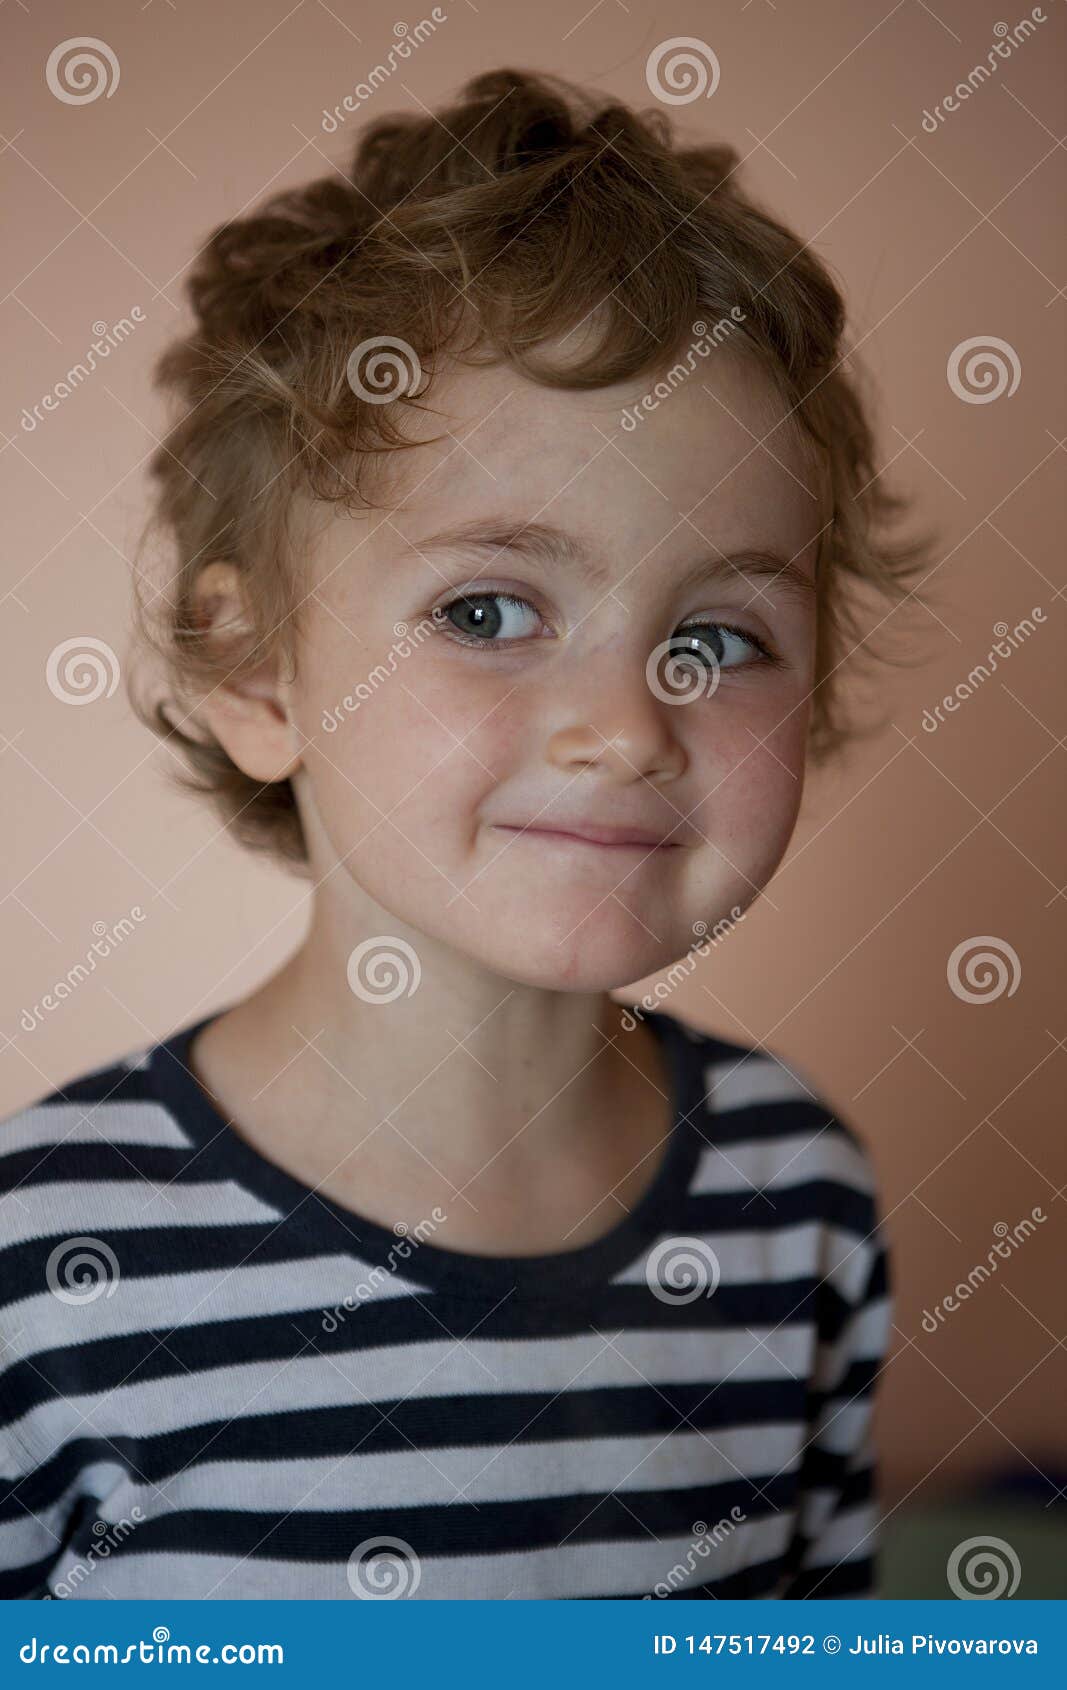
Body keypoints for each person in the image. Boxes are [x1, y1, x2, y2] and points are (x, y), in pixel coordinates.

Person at [0, 67, 929, 1601]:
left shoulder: (795, 1191)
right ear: (254, 672)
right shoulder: (49, 1259)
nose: (627, 724)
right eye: (489, 611)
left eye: (723, 634)